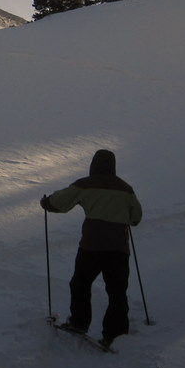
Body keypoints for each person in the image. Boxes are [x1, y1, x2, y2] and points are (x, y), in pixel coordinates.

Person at [40, 148, 142, 348]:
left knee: (80, 283)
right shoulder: (126, 189)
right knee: (117, 291)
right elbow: (135, 218)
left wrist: (46, 202)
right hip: (118, 249)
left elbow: (60, 203)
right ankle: (116, 334)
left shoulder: (85, 185)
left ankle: (79, 323)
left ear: (93, 165)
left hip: (92, 247)